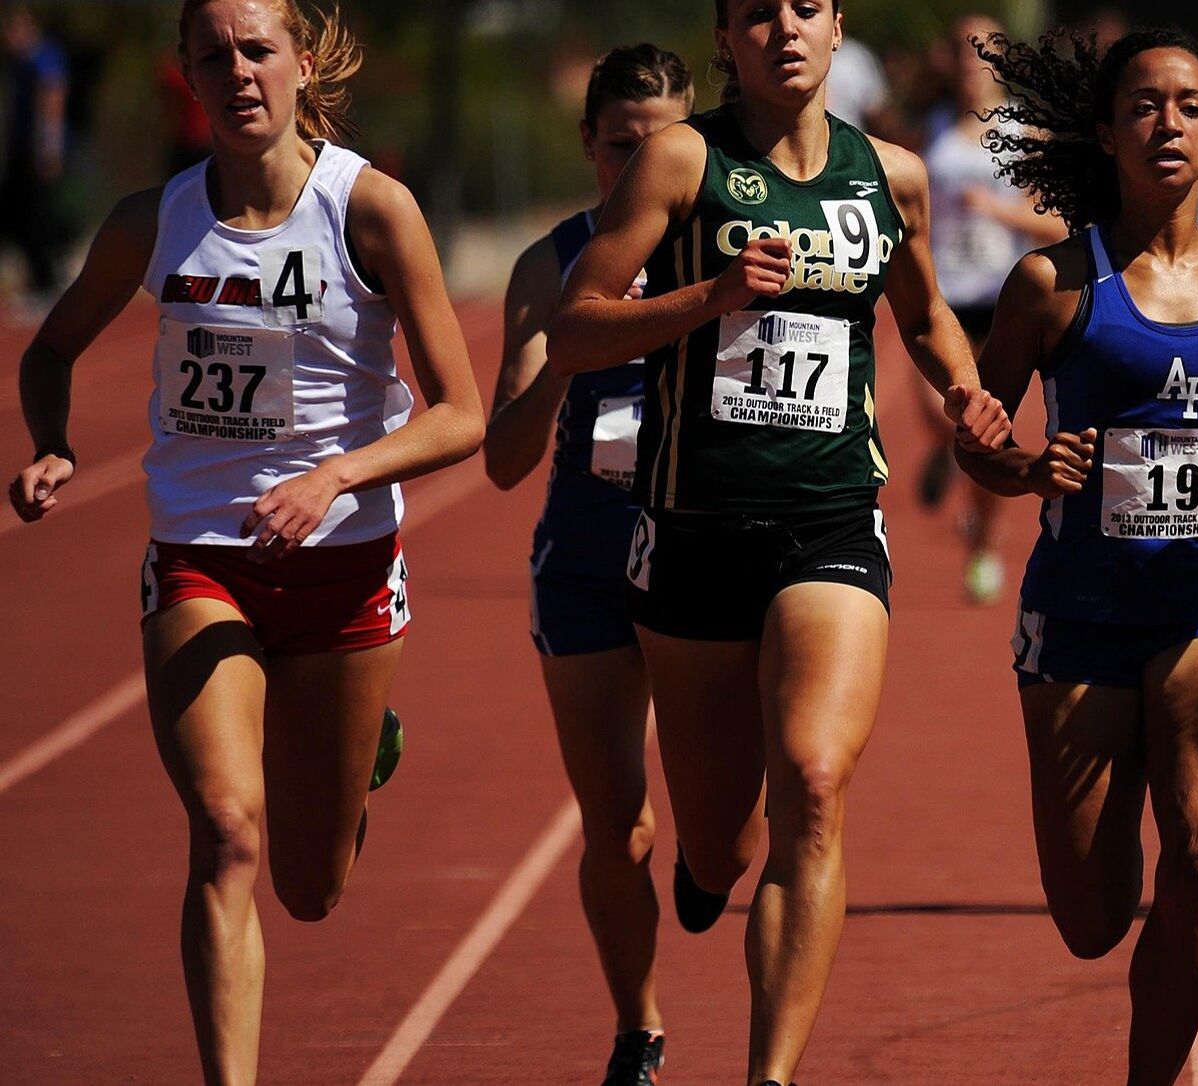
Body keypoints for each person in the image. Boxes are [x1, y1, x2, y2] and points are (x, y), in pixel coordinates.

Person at [8, 1, 483, 1082]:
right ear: (187, 73)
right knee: (227, 830)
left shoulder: (371, 208)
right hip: (200, 558)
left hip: (346, 570)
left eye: (258, 50)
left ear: (300, 63)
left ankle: (358, 758)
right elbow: (50, 352)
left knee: (310, 889)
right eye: (213, 55)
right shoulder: (154, 221)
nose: (238, 73)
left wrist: (335, 477)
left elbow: (462, 414)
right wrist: (52, 445)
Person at [544, 2, 1011, 1082]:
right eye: (759, 12)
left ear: (839, 27)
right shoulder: (680, 161)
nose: (785, 29)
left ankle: (771, 1074)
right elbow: (575, 327)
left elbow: (924, 313)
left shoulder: (888, 175)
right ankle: (711, 865)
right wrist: (709, 296)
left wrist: (963, 389)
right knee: (720, 844)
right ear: (726, 37)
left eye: (806, 7)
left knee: (814, 778)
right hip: (694, 530)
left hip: (831, 518)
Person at [959, 27, 1198, 1085]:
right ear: (1105, 132)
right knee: (1092, 918)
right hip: (1080, 616)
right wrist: (1028, 467)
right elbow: (979, 440)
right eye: (1142, 105)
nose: (1166, 124)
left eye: (1189, 107)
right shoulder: (1051, 284)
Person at [481, 43, 692, 1086]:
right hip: (589, 556)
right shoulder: (548, 264)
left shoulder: (726, 252)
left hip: (702, 553)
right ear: (587, 145)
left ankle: (718, 859)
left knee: (728, 831)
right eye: (619, 148)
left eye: (661, 148)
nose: (637, 169)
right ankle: (637, 1030)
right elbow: (503, 461)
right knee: (620, 825)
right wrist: (571, 351)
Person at [918, 14, 1067, 603]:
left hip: (1003, 298)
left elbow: (1057, 223)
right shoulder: (931, 127)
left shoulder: (1023, 132)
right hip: (944, 293)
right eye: (963, 49)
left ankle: (983, 542)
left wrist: (997, 211)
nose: (971, 62)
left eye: (983, 50)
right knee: (938, 413)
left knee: (986, 427)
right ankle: (944, 453)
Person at [2, 7, 70, 300]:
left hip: (38, 152)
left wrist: (48, 148)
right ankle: (39, 279)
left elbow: (52, 99)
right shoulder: (20, 62)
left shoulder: (43, 57)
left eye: (8, 31)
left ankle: (47, 283)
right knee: (19, 214)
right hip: (21, 150)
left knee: (38, 215)